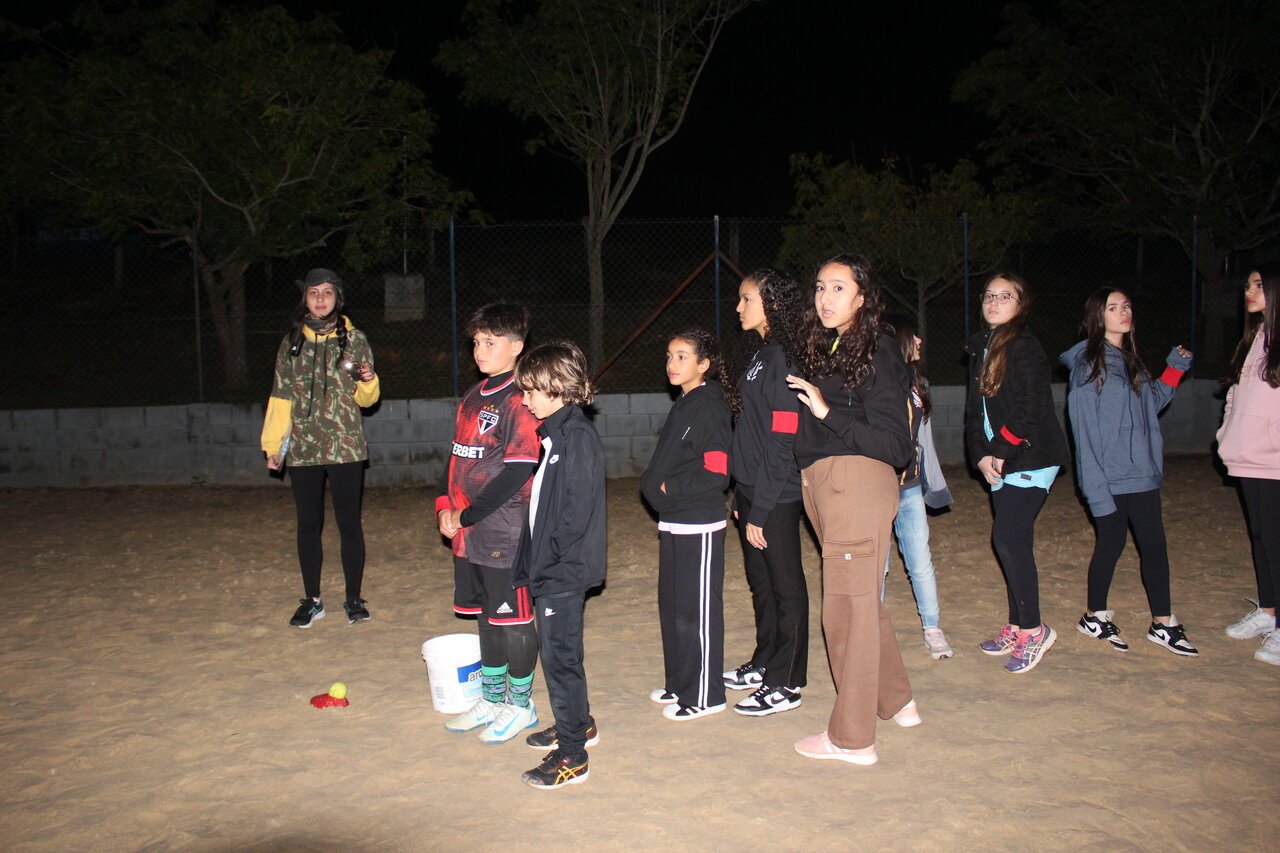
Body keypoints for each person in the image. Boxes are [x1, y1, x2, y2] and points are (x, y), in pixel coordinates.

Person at [785, 253, 918, 767]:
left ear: (863, 297)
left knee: (845, 610)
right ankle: (897, 701)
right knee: (863, 602)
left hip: (855, 484)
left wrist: (825, 411)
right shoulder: (837, 348)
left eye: (838, 288)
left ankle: (853, 739)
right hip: (829, 485)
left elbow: (895, 444)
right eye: (820, 287)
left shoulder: (879, 349)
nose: (825, 297)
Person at [1061, 288, 1198, 656]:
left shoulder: (1130, 360)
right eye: (1113, 307)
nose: (1123, 312)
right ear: (1097, 316)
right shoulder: (1089, 366)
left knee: (1154, 546)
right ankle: (1094, 616)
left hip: (1141, 474)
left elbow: (1152, 402)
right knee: (1111, 544)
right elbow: (1084, 433)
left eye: (1126, 306)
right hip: (1110, 478)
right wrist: (1096, 490)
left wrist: (1174, 369)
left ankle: (1162, 623)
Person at [436, 303, 543, 742]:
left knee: (513, 620)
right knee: (485, 615)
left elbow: (518, 471)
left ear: (516, 346)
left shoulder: (521, 398)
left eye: (491, 342)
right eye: (477, 342)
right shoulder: (473, 394)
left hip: (505, 531)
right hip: (470, 532)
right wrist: (444, 507)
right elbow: (457, 458)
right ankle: (493, 699)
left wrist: (467, 514)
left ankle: (521, 704)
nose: (480, 350)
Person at [510, 340, 606, 788]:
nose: (525, 400)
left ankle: (572, 755)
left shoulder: (576, 437)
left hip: (562, 570)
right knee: (563, 652)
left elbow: (576, 512)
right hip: (553, 564)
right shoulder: (556, 433)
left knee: (559, 659)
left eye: (531, 391)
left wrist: (549, 558)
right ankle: (578, 724)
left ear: (558, 387)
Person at [261, 268, 380, 628]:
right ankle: (312, 600)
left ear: (337, 298)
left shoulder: (355, 339)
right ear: (306, 299)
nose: (320, 299)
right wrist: (273, 444)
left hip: (345, 445)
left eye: (327, 292)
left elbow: (367, 399)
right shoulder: (291, 342)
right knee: (308, 524)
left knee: (349, 523)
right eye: (314, 293)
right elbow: (281, 395)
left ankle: (353, 598)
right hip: (304, 448)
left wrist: (369, 380)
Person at [965, 272, 1070, 674]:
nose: (994, 302)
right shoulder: (982, 347)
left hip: (1030, 457)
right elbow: (975, 411)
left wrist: (1001, 451)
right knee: (1015, 540)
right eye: (989, 295)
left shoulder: (1025, 346)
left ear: (1021, 304)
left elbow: (1032, 404)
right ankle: (1016, 623)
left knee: (1007, 538)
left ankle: (1034, 629)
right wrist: (980, 455)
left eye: (1004, 296)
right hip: (1000, 459)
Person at [721, 268, 810, 716]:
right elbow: (750, 430)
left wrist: (763, 506)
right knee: (762, 584)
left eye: (747, 299)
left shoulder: (783, 358)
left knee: (785, 586)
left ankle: (787, 681)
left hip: (777, 491)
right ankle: (765, 661)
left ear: (772, 303)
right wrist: (742, 492)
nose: (738, 307)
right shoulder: (761, 352)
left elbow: (783, 438)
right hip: (754, 489)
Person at [640, 328, 732, 721]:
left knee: (698, 612)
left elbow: (717, 471)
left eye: (682, 356)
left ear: (704, 364)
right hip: (674, 521)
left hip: (699, 522)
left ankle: (707, 694)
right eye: (669, 355)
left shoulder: (709, 406)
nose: (672, 363)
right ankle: (681, 683)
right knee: (675, 608)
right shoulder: (686, 403)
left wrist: (668, 487)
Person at [881, 315, 954, 660]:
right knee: (877, 565)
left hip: (909, 487)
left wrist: (934, 486)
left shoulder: (918, 385)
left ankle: (933, 627)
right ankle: (873, 629)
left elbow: (925, 440)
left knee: (920, 560)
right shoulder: (875, 381)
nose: (921, 341)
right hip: (878, 488)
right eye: (915, 336)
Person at [1218, 264, 1280, 665]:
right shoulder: (1254, 337)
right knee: (1260, 537)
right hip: (1247, 456)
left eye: (1258, 284)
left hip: (1275, 459)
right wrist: (1228, 432)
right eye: (1247, 284)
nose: (1249, 290)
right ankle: (1269, 611)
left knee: (1275, 540)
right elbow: (1235, 397)